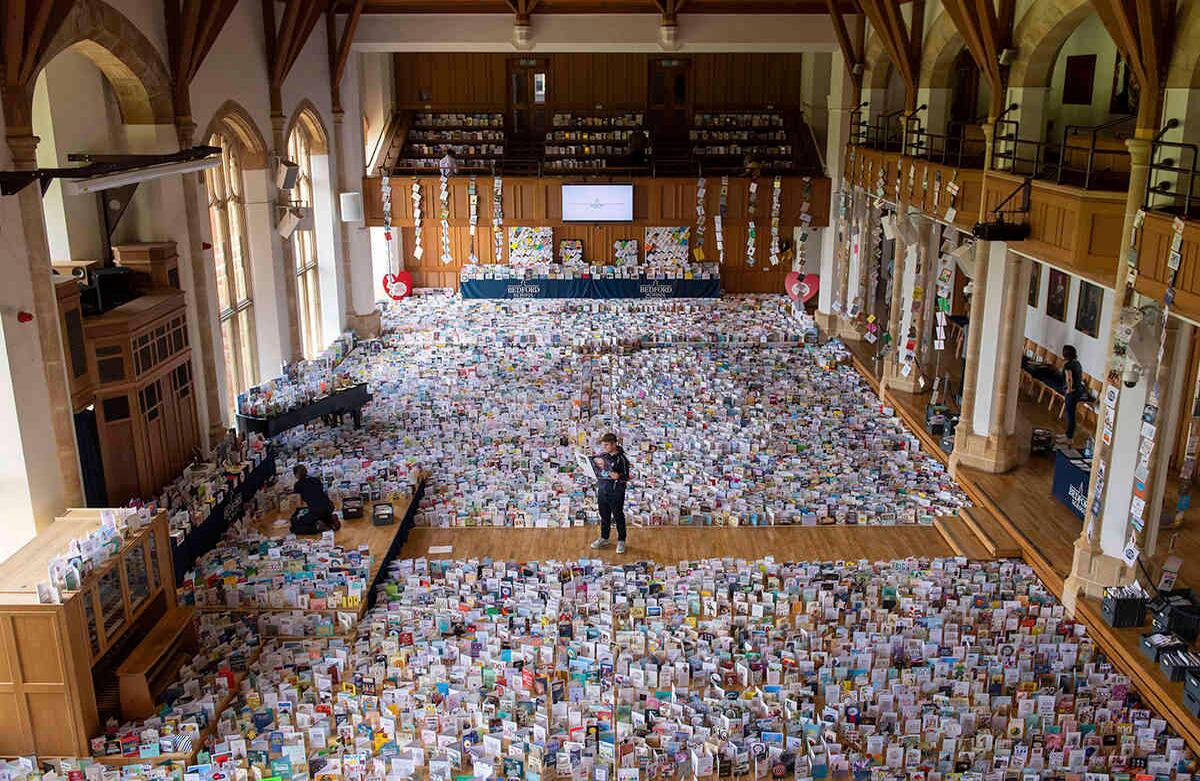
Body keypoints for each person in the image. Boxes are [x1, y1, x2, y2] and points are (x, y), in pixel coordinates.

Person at [590, 433, 631, 554]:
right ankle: (604, 537)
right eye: (603, 445)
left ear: (614, 444)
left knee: (618, 516)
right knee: (604, 516)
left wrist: (618, 476)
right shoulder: (603, 456)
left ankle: (621, 540)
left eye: (607, 445)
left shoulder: (622, 459)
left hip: (616, 492)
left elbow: (625, 477)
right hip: (603, 490)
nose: (604, 447)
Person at [290, 464, 341, 534]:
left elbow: (299, 502)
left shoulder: (298, 485)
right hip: (329, 507)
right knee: (320, 515)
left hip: (316, 511)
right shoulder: (316, 480)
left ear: (296, 475)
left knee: (295, 526)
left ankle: (317, 527)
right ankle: (330, 520)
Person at [1062, 345, 1084, 441]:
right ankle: (1068, 435)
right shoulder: (1077, 363)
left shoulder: (1068, 365)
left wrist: (1069, 390)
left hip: (1072, 393)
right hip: (1078, 391)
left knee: (1070, 414)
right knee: (1071, 414)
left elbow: (1069, 378)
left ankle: (1069, 437)